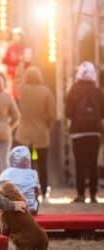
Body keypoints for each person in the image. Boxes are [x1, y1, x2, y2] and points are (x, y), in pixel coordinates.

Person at [15, 66, 56, 199]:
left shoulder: (22, 90)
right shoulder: (46, 92)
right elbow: (52, 114)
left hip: (24, 133)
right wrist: (47, 125)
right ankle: (43, 191)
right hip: (41, 132)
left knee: (26, 165)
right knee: (42, 164)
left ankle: (27, 191)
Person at [66, 61, 104, 203]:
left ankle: (81, 194)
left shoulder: (74, 90)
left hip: (78, 132)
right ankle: (94, 195)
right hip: (95, 132)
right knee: (93, 163)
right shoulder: (98, 90)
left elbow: (68, 112)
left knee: (80, 163)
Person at [0, 146, 41, 215]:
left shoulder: (4, 173)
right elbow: (38, 192)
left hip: (9, 209)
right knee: (35, 198)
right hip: (29, 209)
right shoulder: (33, 173)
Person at [3, 27, 25, 99]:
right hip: (10, 76)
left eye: (19, 36)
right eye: (15, 35)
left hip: (20, 77)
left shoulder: (23, 48)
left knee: (19, 96)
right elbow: (4, 60)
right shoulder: (9, 47)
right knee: (11, 96)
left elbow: (27, 62)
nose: (17, 37)